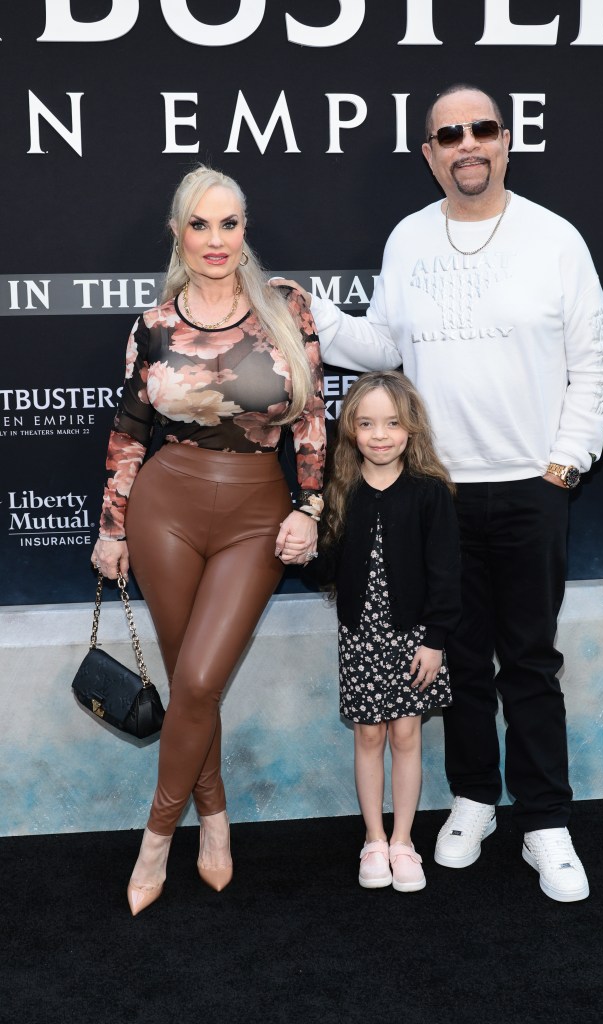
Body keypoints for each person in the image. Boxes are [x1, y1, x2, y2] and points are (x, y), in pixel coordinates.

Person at [274, 84, 603, 902]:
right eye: (448, 134)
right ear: (429, 154)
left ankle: (544, 822)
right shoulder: (408, 238)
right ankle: (472, 800)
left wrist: (562, 467)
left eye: (481, 129)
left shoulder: (554, 239)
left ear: (504, 141)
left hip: (532, 487)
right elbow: (382, 347)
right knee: (455, 661)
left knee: (528, 661)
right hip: (438, 496)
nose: (467, 143)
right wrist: (309, 312)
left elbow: (596, 361)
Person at [91, 165, 326, 916]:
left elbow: (311, 418)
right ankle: (214, 816)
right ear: (178, 234)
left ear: (245, 229)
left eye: (229, 223)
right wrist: (112, 526)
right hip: (165, 507)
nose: (215, 239)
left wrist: (311, 507)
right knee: (191, 679)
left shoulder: (286, 307)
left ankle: (156, 837)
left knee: (196, 682)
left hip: (257, 512)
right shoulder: (154, 326)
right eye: (200, 224)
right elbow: (130, 430)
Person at [314, 371, 460, 892]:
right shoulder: (338, 491)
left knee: (406, 733)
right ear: (350, 430)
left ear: (411, 428)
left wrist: (435, 640)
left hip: (415, 638)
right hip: (360, 635)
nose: (380, 435)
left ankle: (403, 842)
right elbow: (324, 569)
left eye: (393, 423)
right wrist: (302, 536)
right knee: (369, 734)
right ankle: (373, 840)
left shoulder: (430, 492)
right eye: (367, 423)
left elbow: (446, 573)